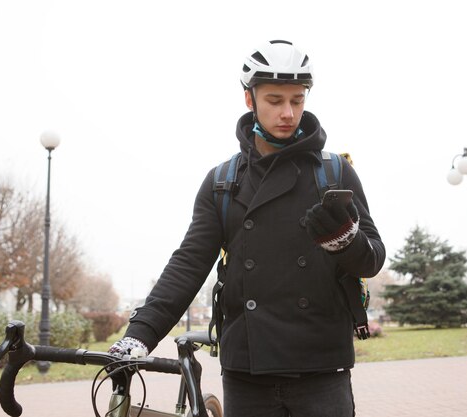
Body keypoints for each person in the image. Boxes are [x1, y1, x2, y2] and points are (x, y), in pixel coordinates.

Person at [110, 39, 386, 417]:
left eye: (297, 99)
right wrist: (139, 335)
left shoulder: (334, 172)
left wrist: (344, 240)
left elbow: (372, 260)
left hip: (322, 368)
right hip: (247, 372)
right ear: (249, 99)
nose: (288, 112)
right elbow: (189, 263)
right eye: (275, 100)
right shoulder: (222, 182)